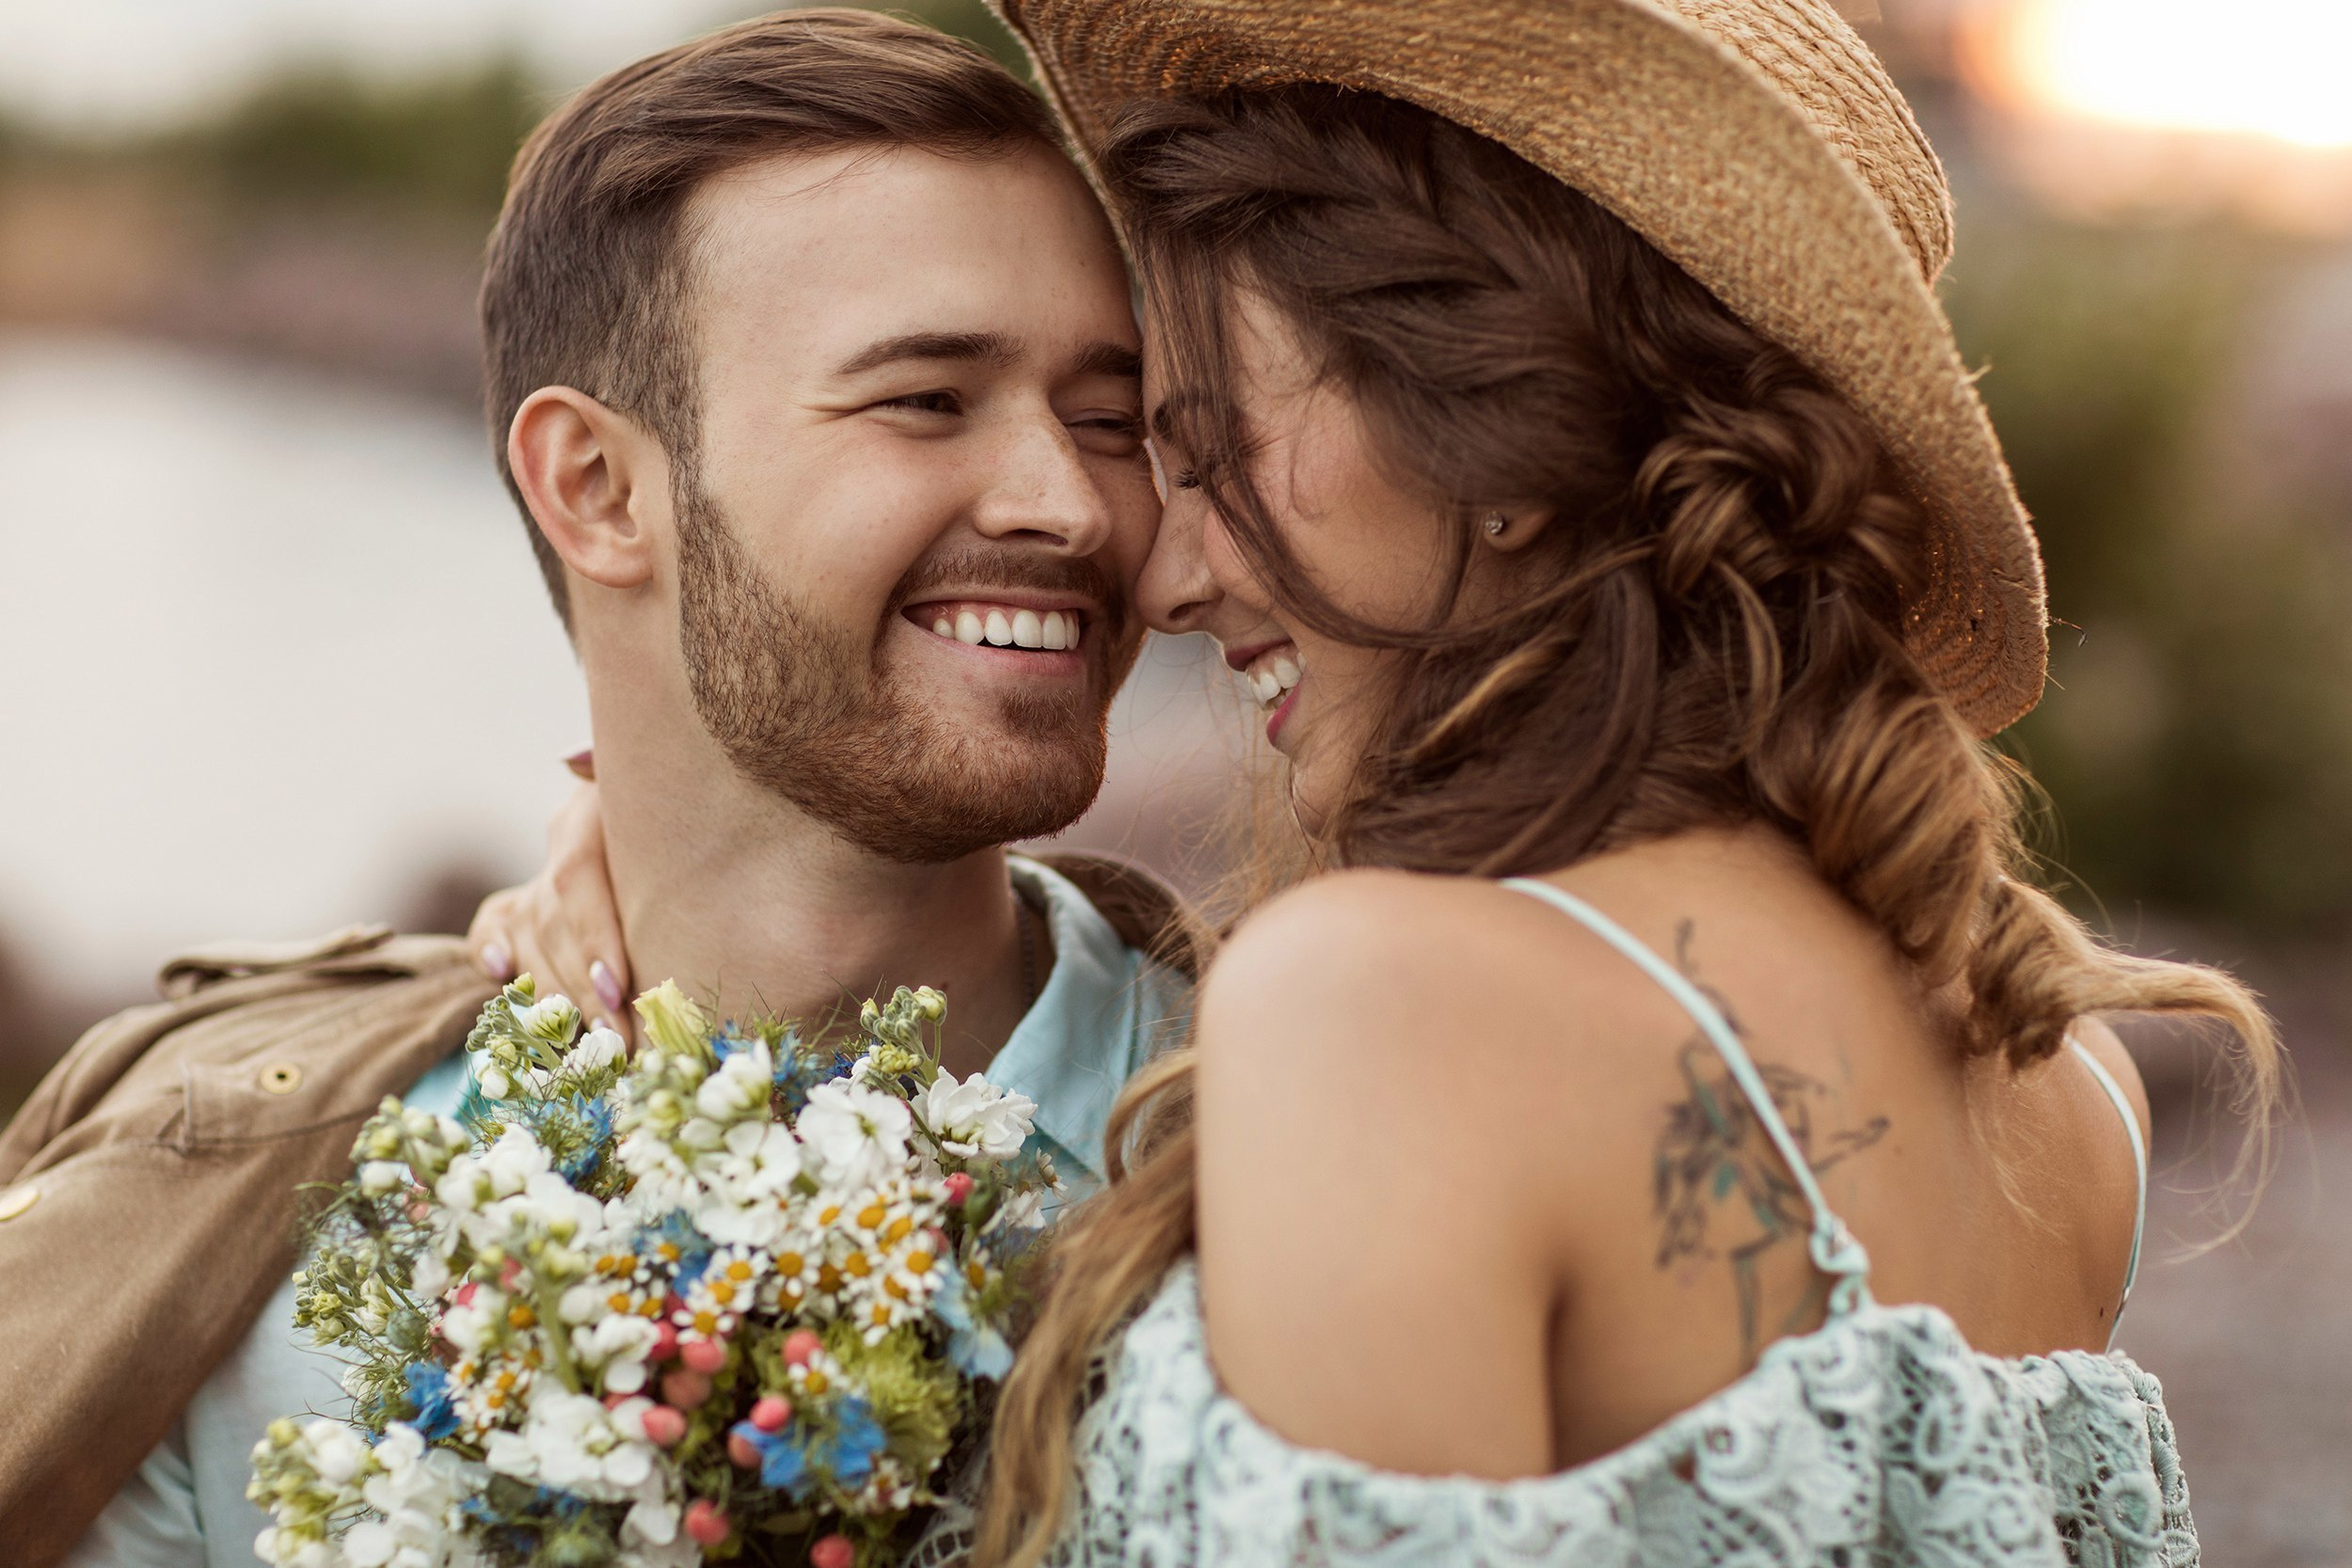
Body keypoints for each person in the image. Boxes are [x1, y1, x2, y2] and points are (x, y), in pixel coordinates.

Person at [0, 14, 1198, 1566]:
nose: (1071, 503)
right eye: (926, 399)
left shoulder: (1291, 1143)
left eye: (1109, 419)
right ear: (595, 486)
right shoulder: (225, 1236)